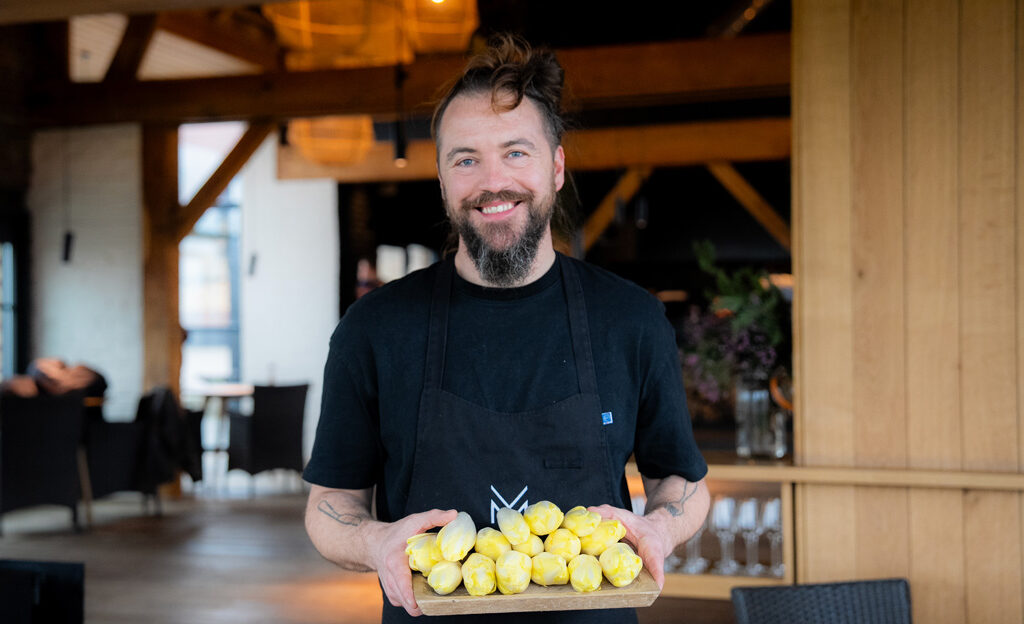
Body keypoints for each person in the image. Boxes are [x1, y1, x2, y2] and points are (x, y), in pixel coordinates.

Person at [303, 33, 710, 623]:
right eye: (466, 159)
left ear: (557, 166)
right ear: (442, 181)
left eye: (516, 152)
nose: (493, 182)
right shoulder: (375, 328)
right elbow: (329, 505)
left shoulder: (630, 320)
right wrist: (374, 542)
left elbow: (682, 479)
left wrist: (660, 529)